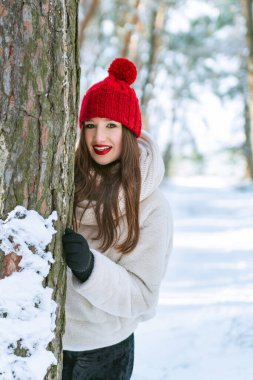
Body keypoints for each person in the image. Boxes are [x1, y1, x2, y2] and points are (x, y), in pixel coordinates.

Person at [61, 57, 173, 380]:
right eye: (91, 124)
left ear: (129, 131)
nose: (100, 136)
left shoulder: (152, 206)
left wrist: (90, 269)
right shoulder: (64, 182)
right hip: (50, 343)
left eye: (111, 125)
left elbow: (143, 296)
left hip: (106, 352)